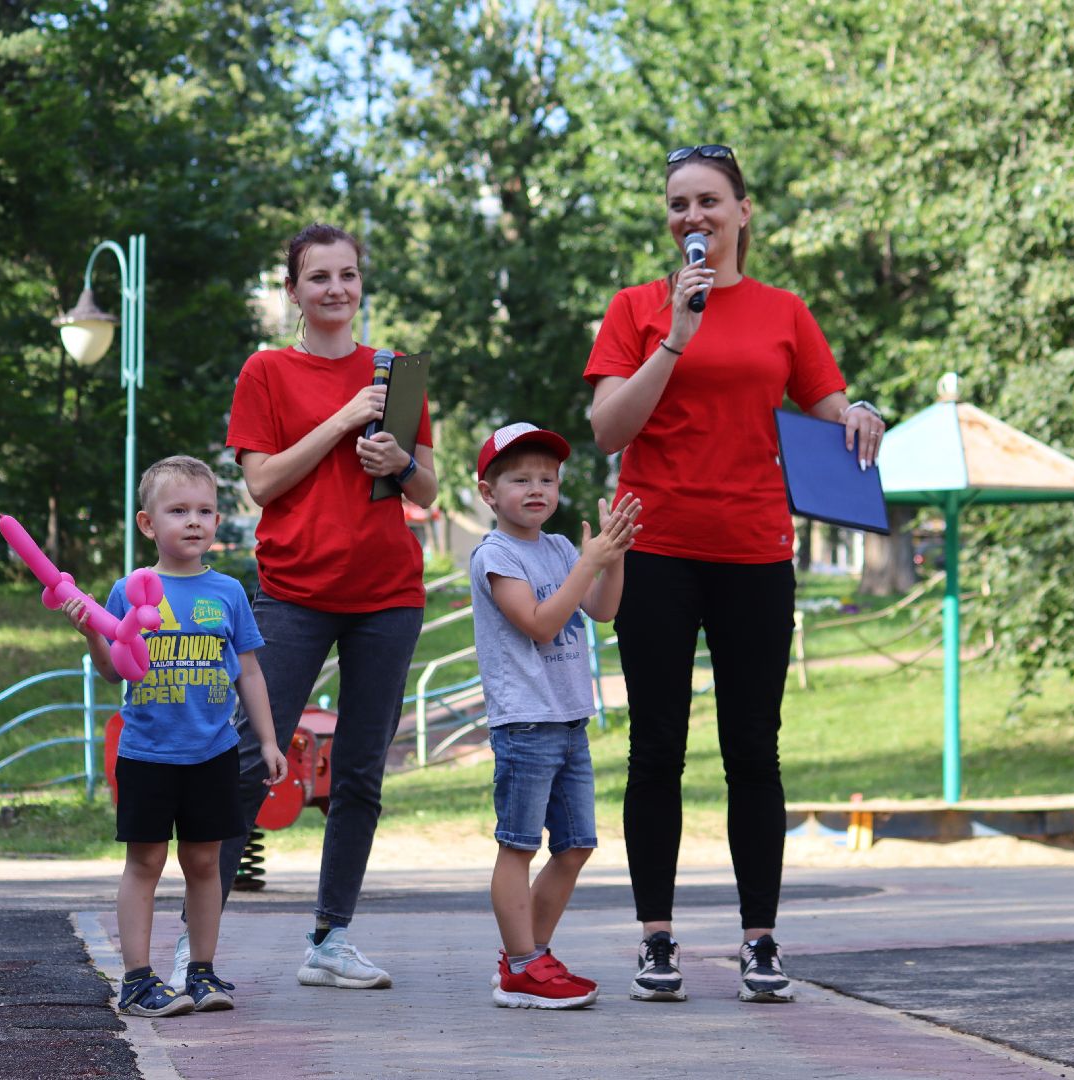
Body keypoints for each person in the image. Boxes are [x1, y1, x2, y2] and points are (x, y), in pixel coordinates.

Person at [584, 144, 886, 1003]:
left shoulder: (785, 312)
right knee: (657, 749)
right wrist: (675, 338)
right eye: (678, 204)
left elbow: (830, 409)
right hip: (656, 548)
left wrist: (858, 410)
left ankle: (760, 941)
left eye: (709, 201)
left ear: (743, 213)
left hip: (755, 551)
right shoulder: (638, 308)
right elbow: (608, 429)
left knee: (754, 749)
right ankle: (656, 939)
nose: (693, 218)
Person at [199, 221, 437, 991]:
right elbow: (261, 485)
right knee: (244, 762)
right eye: (318, 277)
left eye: (347, 275)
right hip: (293, 594)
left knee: (361, 775)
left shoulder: (397, 372)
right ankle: (195, 946)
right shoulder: (267, 372)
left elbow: (429, 490)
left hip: (387, 596)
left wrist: (399, 462)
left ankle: (331, 940)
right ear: (294, 290)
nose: (336, 289)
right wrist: (339, 423)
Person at [64, 455, 288, 1016]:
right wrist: (92, 633)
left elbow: (251, 672)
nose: (194, 522)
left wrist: (266, 741)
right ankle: (138, 981)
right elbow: (114, 669)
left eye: (205, 511)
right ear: (148, 524)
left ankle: (202, 973)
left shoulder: (230, 592)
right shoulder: (129, 589)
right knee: (144, 864)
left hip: (213, 752)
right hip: (146, 753)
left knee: (206, 864)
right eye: (179, 510)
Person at [469, 423, 643, 1009]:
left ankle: (530, 957)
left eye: (547, 478)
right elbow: (540, 622)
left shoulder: (562, 548)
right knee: (518, 844)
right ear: (490, 493)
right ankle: (522, 964)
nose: (536, 488)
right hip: (524, 720)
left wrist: (611, 558)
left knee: (575, 845)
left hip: (569, 717)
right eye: (520, 479)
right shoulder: (496, 554)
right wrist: (588, 562)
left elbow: (603, 610)